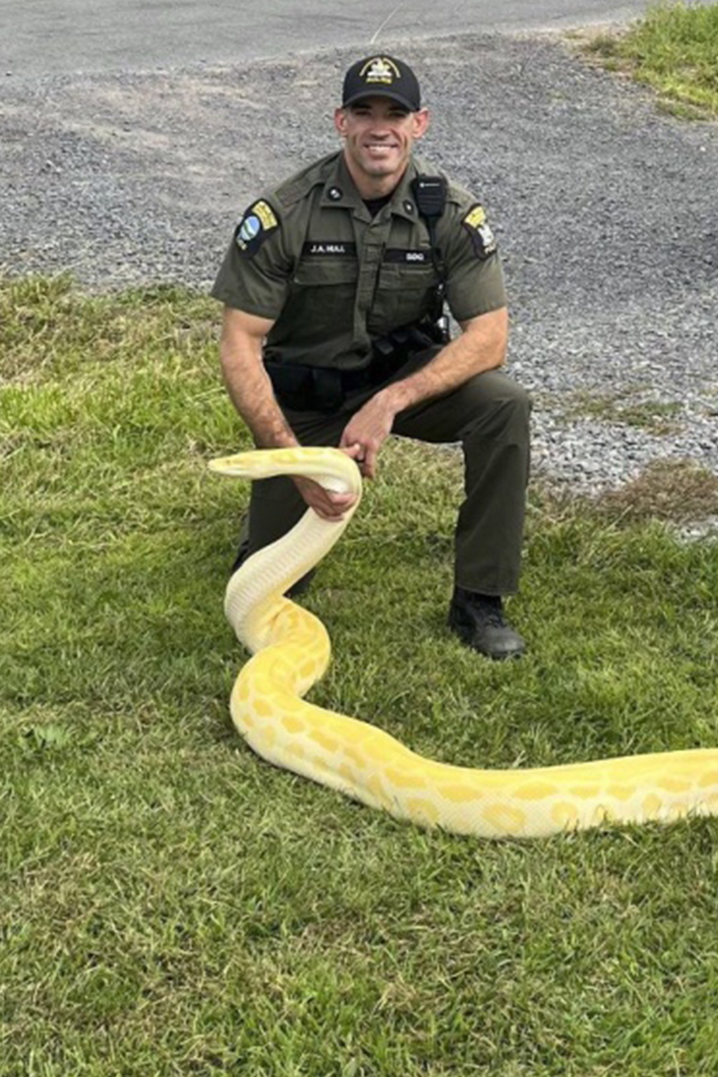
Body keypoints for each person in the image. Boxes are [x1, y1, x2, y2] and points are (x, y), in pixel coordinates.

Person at [211, 54, 529, 660]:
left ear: (420, 124)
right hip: (307, 399)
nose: (379, 127)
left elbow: (489, 337)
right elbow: (240, 344)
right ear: (340, 121)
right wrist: (291, 461)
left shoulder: (452, 212)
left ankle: (479, 601)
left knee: (504, 406)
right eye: (364, 112)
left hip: (400, 384)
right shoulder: (285, 213)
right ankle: (267, 527)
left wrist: (390, 401)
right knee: (267, 586)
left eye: (395, 113)